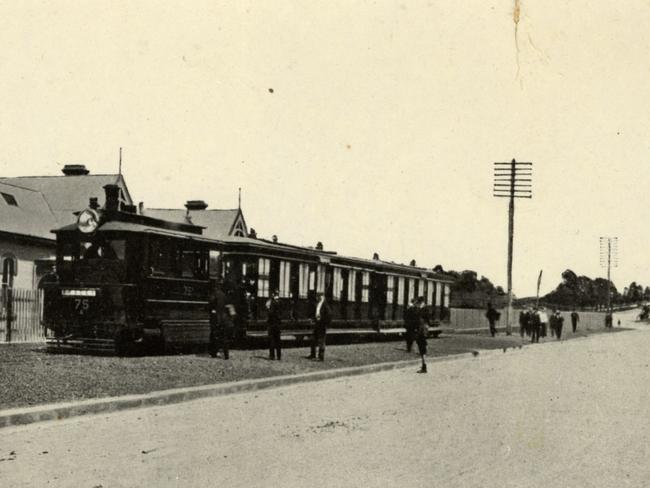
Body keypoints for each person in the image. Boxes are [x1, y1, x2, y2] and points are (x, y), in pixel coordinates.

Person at [209, 281, 236, 359]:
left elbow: (211, 303)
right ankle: (226, 354)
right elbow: (231, 309)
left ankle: (214, 352)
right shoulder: (224, 295)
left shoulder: (215, 294)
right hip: (225, 319)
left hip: (217, 318)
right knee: (224, 337)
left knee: (214, 335)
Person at [309, 292, 330, 361]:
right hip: (317, 324)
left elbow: (329, 315)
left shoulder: (325, 305)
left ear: (322, 297)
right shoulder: (318, 304)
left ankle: (321, 357)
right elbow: (316, 312)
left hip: (322, 324)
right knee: (313, 339)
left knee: (321, 341)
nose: (317, 297)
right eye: (317, 296)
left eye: (319, 296)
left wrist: (324, 322)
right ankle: (313, 354)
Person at [266, 290, 282, 360]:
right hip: (278, 323)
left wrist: (268, 309)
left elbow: (271, 312)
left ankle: (272, 356)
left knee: (271, 339)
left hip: (272, 323)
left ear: (273, 294)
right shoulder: (280, 302)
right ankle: (279, 356)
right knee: (278, 340)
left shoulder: (272, 302)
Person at [416, 297, 429, 373]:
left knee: (422, 349)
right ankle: (424, 365)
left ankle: (424, 367)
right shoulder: (424, 309)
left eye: (419, 303)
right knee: (422, 349)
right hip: (423, 330)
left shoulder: (424, 309)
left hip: (422, 331)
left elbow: (423, 320)